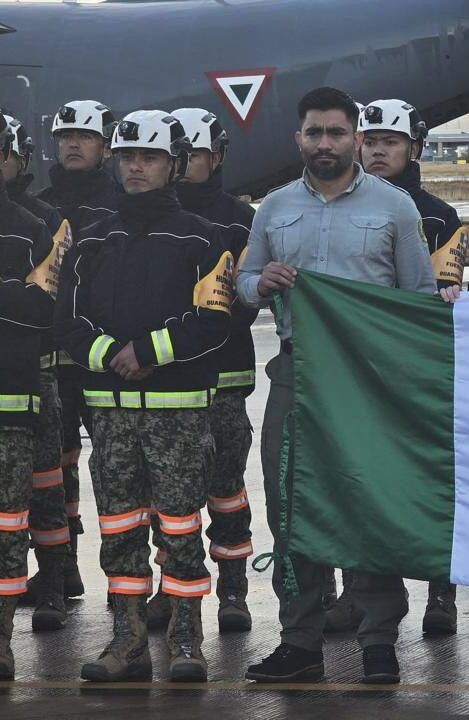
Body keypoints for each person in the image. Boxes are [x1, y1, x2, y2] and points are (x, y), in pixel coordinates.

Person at [237, 87, 435, 685]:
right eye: (314, 132)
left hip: (368, 381)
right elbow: (243, 280)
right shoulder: (272, 208)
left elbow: (420, 300)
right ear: (298, 138)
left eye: (336, 133)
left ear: (356, 138)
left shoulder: (395, 207)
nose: (325, 143)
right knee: (290, 505)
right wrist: (259, 282)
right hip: (297, 374)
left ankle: (378, 639)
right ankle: (300, 639)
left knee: (367, 500)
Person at [56, 109, 233, 682]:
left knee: (181, 528)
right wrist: (109, 353)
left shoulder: (204, 240)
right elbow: (67, 319)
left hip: (177, 414)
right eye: (129, 155)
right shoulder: (91, 238)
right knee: (118, 530)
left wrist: (150, 350)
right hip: (108, 416)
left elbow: (215, 320)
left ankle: (186, 641)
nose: (136, 166)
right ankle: (125, 640)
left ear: (174, 166)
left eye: (150, 157)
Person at [139, 106, 256, 634]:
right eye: (179, 155)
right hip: (167, 381)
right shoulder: (150, 218)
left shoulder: (241, 220)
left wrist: (200, 332)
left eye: (198, 155)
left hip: (224, 377)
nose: (187, 166)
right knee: (167, 496)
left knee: (227, 488)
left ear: (217, 156)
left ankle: (233, 588)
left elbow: (245, 300)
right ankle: (170, 587)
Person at [358, 97, 467, 635]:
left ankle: (441, 591)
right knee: (368, 481)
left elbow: (443, 291)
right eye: (371, 141)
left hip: (419, 367)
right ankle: (371, 588)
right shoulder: (342, 206)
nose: (379, 151)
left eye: (391, 142)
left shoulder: (441, 216)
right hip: (358, 368)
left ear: (415, 148)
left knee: (430, 479)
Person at [36, 100, 120, 602]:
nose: (72, 143)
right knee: (55, 468)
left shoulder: (119, 205)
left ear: (105, 147)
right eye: (66, 135)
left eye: (85, 137)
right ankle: (62, 569)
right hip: (53, 363)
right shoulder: (40, 206)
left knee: (114, 468)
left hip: (104, 359)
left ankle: (126, 581)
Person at [2, 113, 74, 627]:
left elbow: (47, 302)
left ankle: (52, 581)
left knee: (46, 485)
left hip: (36, 376)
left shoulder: (41, 223)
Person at [0, 121, 57, 679]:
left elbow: (44, 309)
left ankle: (1, 642)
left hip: (8, 404)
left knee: (6, 527)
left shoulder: (29, 229)